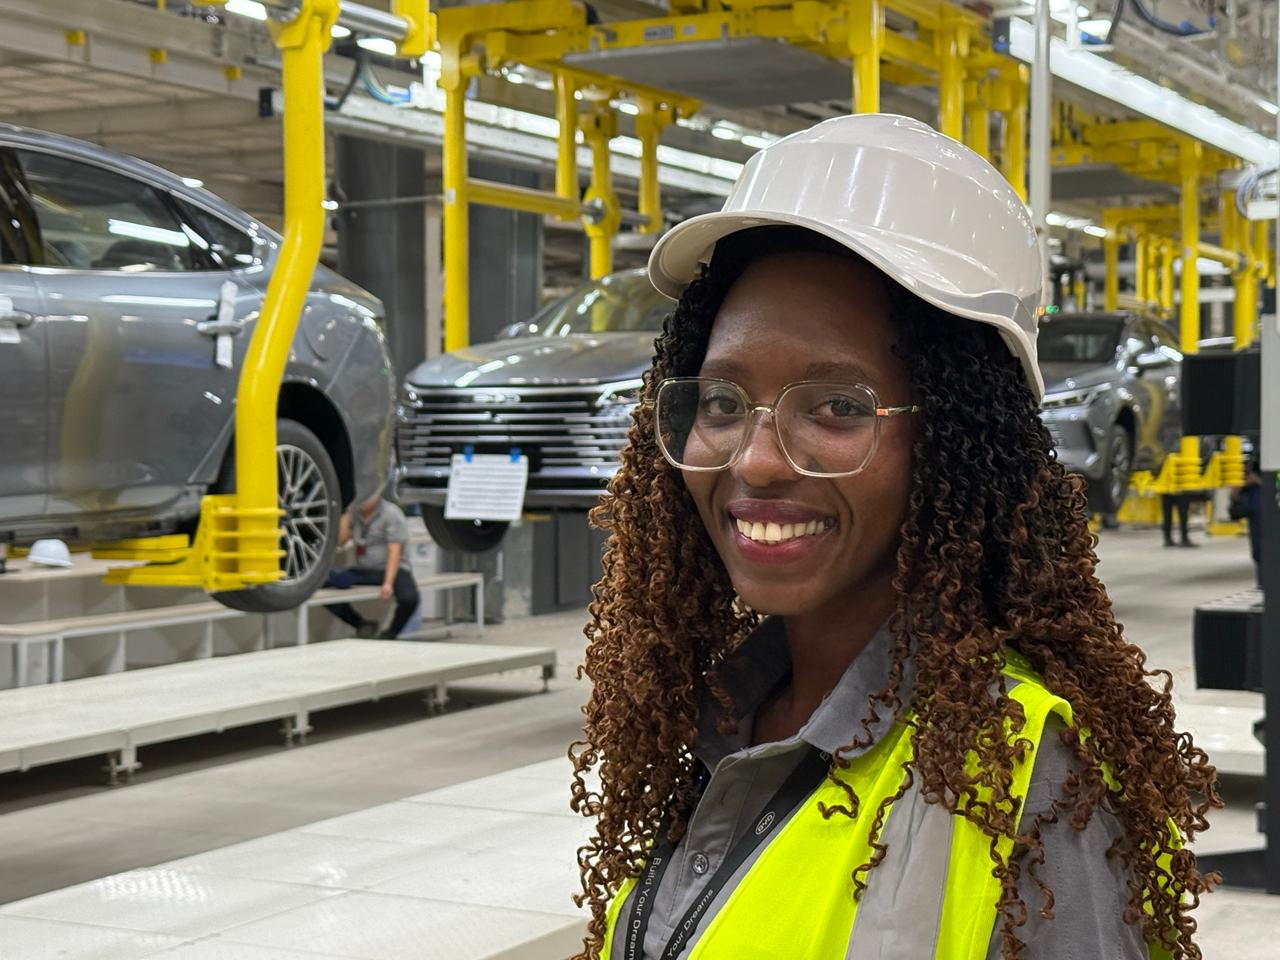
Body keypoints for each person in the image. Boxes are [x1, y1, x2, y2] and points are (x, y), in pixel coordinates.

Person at [568, 115, 1218, 960]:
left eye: (837, 407)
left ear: (954, 443)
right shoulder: (717, 719)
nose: (756, 462)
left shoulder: (1030, 783)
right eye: (723, 404)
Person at [325, 492, 419, 639]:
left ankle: (391, 633)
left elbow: (394, 550)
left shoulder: (391, 513)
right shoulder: (355, 513)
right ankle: (361, 624)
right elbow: (340, 541)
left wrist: (388, 583)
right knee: (323, 584)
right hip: (364, 569)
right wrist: (346, 513)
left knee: (410, 598)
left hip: (394, 570)